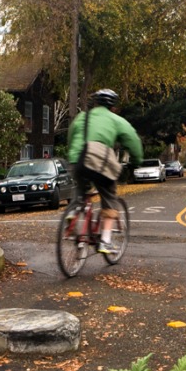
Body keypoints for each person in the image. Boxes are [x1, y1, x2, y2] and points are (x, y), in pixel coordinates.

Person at [67, 88, 144, 255]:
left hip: (78, 159)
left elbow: (71, 135)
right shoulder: (116, 120)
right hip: (98, 161)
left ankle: (74, 211)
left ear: (95, 103)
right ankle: (105, 240)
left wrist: (72, 154)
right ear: (113, 106)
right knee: (109, 196)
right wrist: (137, 162)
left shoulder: (82, 117)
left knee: (82, 190)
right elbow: (133, 141)